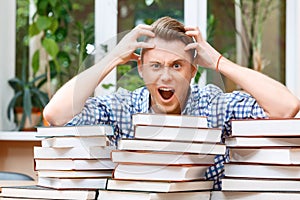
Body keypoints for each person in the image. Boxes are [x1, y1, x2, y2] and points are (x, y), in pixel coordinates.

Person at [43, 16, 300, 190]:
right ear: (141, 70)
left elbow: (285, 107)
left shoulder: (213, 105)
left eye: (177, 65)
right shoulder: (123, 108)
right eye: (155, 66)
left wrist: (219, 61)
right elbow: (56, 114)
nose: (165, 76)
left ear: (192, 72)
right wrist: (112, 58)